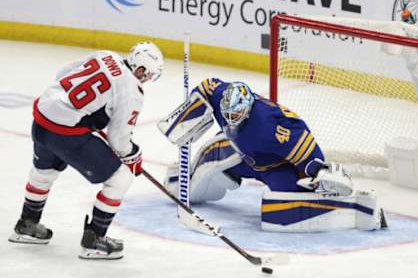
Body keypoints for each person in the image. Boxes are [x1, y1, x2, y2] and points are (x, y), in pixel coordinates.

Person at [160, 78, 388, 232]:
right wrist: (191, 110)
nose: (230, 119)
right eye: (227, 114)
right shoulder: (223, 98)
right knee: (191, 190)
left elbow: (303, 145)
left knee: (277, 212)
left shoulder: (269, 125)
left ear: (248, 107)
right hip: (239, 154)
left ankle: (358, 208)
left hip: (275, 167)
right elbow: (207, 86)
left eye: (237, 114)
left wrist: (318, 170)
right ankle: (180, 176)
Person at [8, 42, 164, 259]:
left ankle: (27, 225)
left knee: (44, 172)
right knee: (120, 179)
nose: (146, 80)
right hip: (65, 133)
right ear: (142, 70)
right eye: (149, 75)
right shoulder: (132, 90)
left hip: (42, 118)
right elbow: (118, 139)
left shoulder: (106, 54)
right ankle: (95, 240)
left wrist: (78, 110)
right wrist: (132, 154)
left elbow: (62, 74)